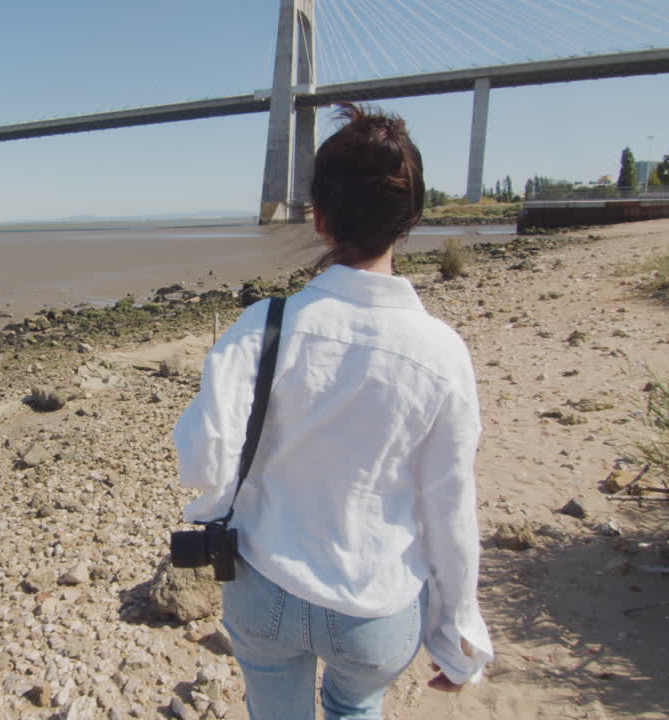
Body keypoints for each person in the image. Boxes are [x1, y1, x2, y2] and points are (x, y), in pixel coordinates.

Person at [173, 103, 493, 719]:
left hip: (265, 583)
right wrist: (458, 633)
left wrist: (216, 508)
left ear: (319, 220)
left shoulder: (262, 326)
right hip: (375, 607)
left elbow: (203, 453)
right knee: (355, 705)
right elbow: (451, 508)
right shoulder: (441, 353)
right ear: (409, 222)